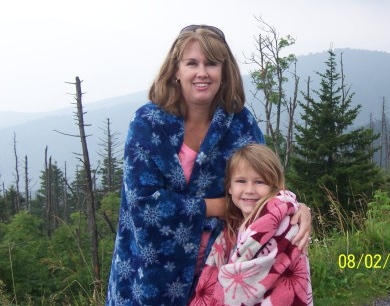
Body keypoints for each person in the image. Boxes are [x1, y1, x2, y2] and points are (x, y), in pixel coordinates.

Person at [105, 25, 312, 306]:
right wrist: (220, 207)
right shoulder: (147, 124)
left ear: (224, 72)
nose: (202, 72)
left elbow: (266, 185)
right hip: (148, 279)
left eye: (211, 64)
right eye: (192, 63)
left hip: (217, 275)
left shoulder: (240, 124)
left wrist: (295, 208)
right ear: (176, 71)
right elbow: (145, 205)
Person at [188, 144, 313, 306]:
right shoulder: (231, 225)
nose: (249, 189)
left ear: (274, 186)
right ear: (230, 187)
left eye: (259, 182)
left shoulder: (285, 225)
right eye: (241, 181)